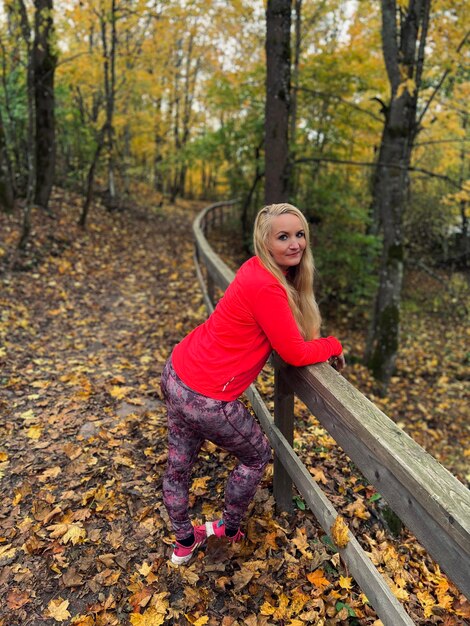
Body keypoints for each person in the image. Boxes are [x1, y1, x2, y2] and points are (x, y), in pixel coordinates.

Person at [160, 202, 345, 565]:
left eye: (300, 234)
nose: (295, 244)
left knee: (179, 465)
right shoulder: (267, 287)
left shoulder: (253, 269)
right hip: (207, 396)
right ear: (265, 241)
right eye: (283, 236)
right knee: (257, 455)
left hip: (178, 372)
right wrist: (334, 345)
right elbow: (292, 352)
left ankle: (183, 541)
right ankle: (228, 528)